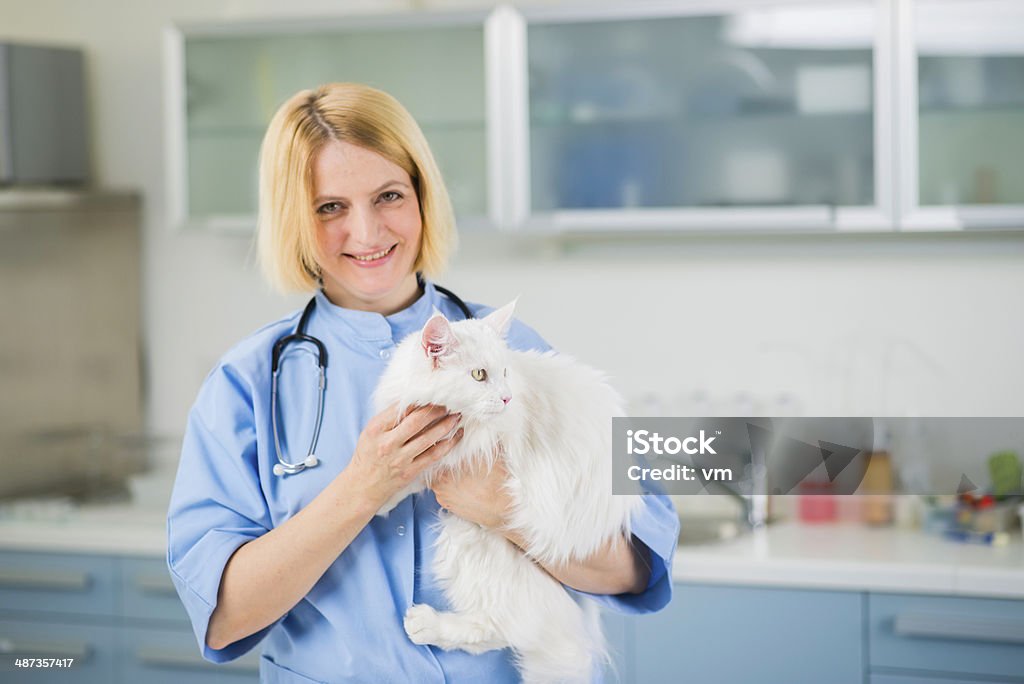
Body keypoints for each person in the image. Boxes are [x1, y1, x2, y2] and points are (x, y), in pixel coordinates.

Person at [166, 82, 679, 683]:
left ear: (422, 196)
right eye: (330, 207)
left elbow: (634, 567)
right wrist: (363, 487)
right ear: (294, 219)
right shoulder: (247, 382)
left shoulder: (517, 354)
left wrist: (507, 511)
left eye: (388, 195)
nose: (367, 232)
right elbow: (223, 617)